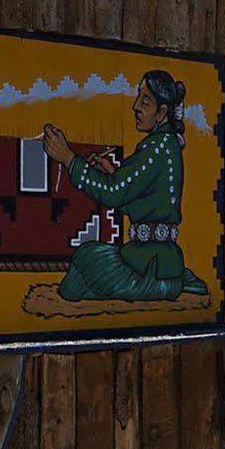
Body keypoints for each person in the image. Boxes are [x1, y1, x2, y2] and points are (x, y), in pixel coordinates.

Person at [40, 69, 207, 302]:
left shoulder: (156, 148)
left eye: (145, 102)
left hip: (148, 269)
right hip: (163, 266)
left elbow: (114, 194)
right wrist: (112, 173)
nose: (136, 107)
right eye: (139, 98)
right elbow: (143, 201)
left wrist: (68, 159)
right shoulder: (166, 145)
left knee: (85, 258)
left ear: (161, 113)